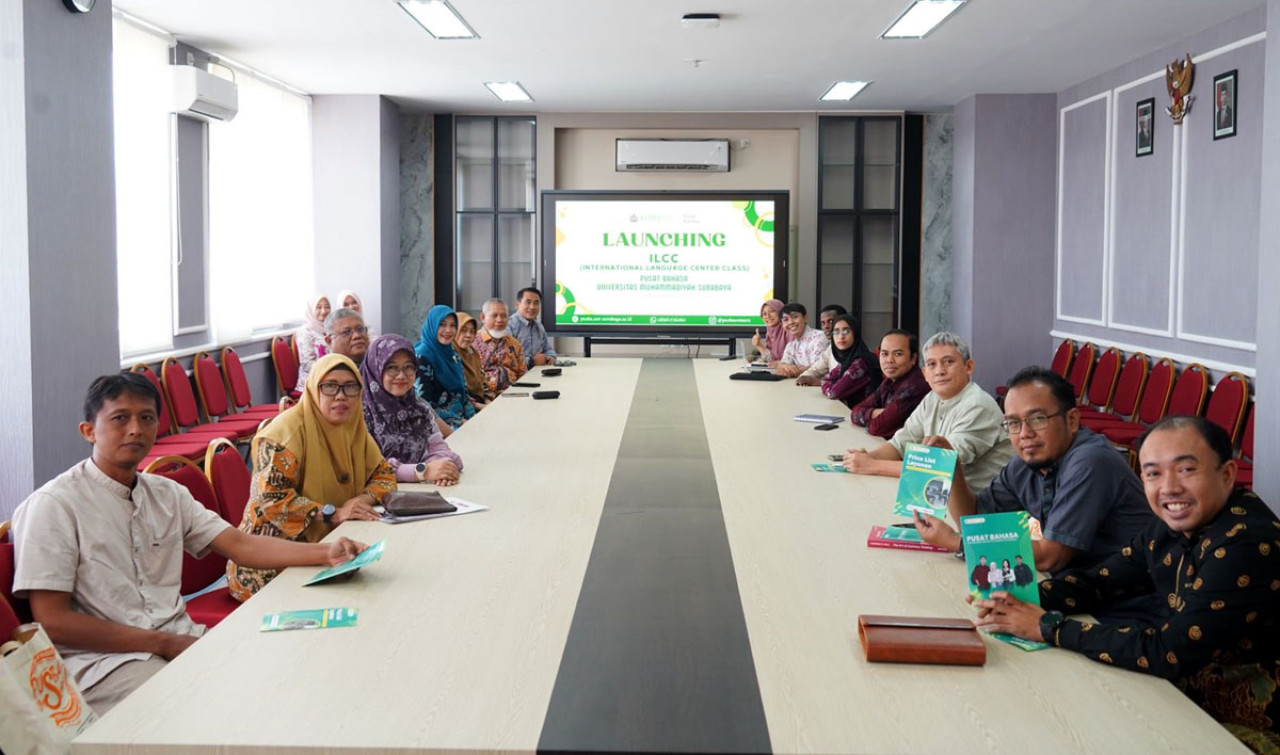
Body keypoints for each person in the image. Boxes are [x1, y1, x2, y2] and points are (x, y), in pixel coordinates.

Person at [10, 373, 367, 715]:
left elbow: (240, 545)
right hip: (104, 666)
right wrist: (163, 644)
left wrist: (326, 552)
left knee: (288, 675)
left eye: (146, 418)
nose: (135, 429)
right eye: (120, 418)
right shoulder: (53, 506)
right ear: (89, 431)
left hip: (183, 640)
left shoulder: (165, 493)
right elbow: (53, 621)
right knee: (222, 708)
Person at [973, 416, 1280, 743]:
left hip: (1242, 718)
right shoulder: (1172, 524)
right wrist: (1020, 595)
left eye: (1187, 470)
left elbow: (1168, 651)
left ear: (1228, 474)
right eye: (1153, 473)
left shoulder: (1244, 544)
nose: (1169, 487)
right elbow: (1101, 581)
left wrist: (1048, 627)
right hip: (1178, 692)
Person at [911, 366, 1154, 574]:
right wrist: (952, 468)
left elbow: (1051, 557)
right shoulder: (1026, 461)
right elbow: (974, 519)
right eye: (1014, 423)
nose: (1025, 434)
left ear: (1072, 420)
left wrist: (956, 543)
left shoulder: (1090, 462)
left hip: (1125, 604)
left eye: (1037, 419)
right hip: (1078, 588)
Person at [227, 354, 395, 602]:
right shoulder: (283, 435)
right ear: (313, 389)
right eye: (329, 387)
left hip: (329, 542)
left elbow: (385, 475)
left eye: (350, 387)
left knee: (376, 590)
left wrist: (357, 501)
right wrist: (332, 513)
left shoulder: (353, 426)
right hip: (267, 557)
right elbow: (271, 501)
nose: (340, 396)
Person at [842, 332, 1012, 491]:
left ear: (969, 366)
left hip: (978, 509)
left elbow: (940, 465)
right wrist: (867, 458)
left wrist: (872, 465)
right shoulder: (933, 398)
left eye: (948, 362)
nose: (939, 371)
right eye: (932, 364)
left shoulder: (977, 405)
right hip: (939, 497)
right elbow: (901, 443)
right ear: (925, 373)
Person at [360, 334, 463, 485]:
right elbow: (366, 467)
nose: (402, 375)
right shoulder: (360, 414)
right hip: (376, 501)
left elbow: (438, 447)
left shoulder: (419, 408)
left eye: (409, 367)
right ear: (376, 369)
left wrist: (441, 469)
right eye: (392, 368)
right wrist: (422, 471)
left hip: (421, 495)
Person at [848, 330, 930, 439]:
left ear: (913, 358)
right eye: (884, 354)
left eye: (898, 354)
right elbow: (855, 412)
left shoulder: (914, 387)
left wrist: (871, 416)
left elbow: (876, 427)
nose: (889, 360)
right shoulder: (890, 380)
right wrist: (876, 413)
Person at [415, 304, 476, 429]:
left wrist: (474, 420)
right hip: (439, 427)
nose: (448, 330)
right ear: (432, 325)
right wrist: (459, 423)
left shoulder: (453, 356)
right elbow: (422, 405)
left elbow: (463, 396)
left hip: (462, 421)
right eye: (442, 324)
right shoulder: (422, 357)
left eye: (453, 325)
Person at [817, 314, 881, 407]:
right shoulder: (848, 359)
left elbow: (834, 393)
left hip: (866, 416)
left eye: (846, 331)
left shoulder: (861, 362)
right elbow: (827, 380)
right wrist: (830, 385)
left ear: (855, 334)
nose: (841, 336)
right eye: (836, 332)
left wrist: (830, 385)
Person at [474, 298, 528, 393]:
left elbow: (523, 375)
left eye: (504, 316)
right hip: (482, 398)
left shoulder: (514, 344)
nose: (499, 320)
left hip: (513, 396)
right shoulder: (472, 342)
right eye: (494, 315)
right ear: (483, 317)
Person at [774, 303, 828, 378]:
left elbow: (819, 366)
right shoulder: (791, 345)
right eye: (786, 320)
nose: (791, 322)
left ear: (805, 318)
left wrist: (794, 370)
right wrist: (785, 367)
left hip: (820, 385)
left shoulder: (820, 337)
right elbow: (781, 365)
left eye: (795, 317)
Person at [508, 287, 557, 367]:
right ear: (517, 305)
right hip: (516, 376)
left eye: (536, 303)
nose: (532, 307)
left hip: (538, 373)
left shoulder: (539, 325)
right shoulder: (509, 326)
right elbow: (506, 359)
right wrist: (531, 361)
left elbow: (548, 349)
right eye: (528, 302)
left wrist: (550, 356)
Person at [454, 312, 494, 409]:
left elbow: (482, 380)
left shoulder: (472, 352)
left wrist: (487, 400)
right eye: (463, 330)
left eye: (472, 331)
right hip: (463, 409)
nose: (468, 335)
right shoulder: (451, 355)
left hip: (480, 403)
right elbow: (456, 394)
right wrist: (483, 407)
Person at [295, 293, 330, 391]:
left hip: (331, 377)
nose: (323, 311)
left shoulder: (331, 328)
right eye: (318, 307)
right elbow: (307, 364)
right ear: (311, 309)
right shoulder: (305, 331)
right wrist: (329, 371)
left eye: (327, 307)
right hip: (312, 382)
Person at [749, 299, 791, 364]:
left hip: (790, 371)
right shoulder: (770, 332)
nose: (767, 316)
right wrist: (759, 345)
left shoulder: (790, 330)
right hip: (775, 370)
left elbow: (792, 361)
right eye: (764, 314)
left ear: (781, 312)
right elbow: (771, 359)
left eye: (772, 311)